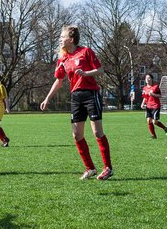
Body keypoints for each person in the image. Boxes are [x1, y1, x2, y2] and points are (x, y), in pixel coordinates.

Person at [40, 25, 113, 180]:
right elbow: (59, 81)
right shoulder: (62, 58)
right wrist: (47, 98)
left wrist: (86, 73)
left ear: (71, 39)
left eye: (62, 36)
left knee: (97, 132)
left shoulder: (85, 51)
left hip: (90, 94)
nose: (60, 39)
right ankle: (90, 168)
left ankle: (108, 168)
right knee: (76, 134)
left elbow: (100, 70)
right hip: (75, 97)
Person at [140, 72, 167, 138]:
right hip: (148, 107)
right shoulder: (144, 88)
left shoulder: (156, 87)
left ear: (151, 79)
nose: (147, 79)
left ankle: (165, 128)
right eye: (146, 78)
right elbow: (145, 97)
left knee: (154, 122)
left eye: (149, 78)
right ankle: (153, 135)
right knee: (148, 121)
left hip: (155, 106)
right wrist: (142, 103)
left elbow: (160, 95)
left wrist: (153, 94)